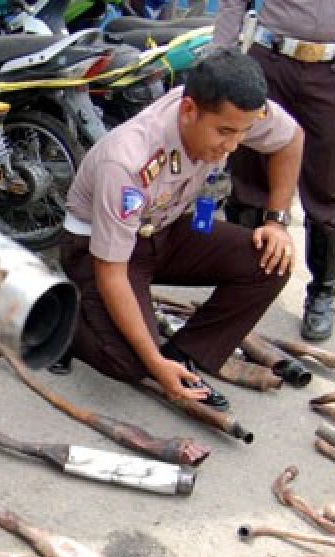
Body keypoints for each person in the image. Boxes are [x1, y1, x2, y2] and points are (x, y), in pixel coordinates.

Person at [56, 48, 303, 410]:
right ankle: (58, 311)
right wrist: (153, 363)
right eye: (225, 132)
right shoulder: (127, 162)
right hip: (97, 250)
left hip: (165, 227)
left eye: (244, 133)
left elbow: (291, 139)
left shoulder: (234, 108)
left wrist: (276, 221)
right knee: (131, 364)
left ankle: (186, 356)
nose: (233, 145)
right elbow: (112, 273)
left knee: (269, 261)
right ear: (189, 111)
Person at [213, 0, 335, 341]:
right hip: (268, 64)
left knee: (328, 188)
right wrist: (219, 55)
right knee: (250, 181)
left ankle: (323, 292)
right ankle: (239, 282)